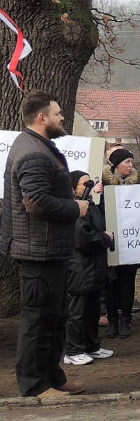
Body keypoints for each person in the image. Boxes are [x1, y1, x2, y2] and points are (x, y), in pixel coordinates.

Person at [1, 90, 88, 397]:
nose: (62, 117)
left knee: (55, 317)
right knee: (37, 321)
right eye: (57, 113)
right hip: (38, 252)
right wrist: (75, 208)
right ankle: (34, 386)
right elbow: (35, 202)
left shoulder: (38, 146)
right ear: (42, 118)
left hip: (50, 250)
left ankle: (53, 377)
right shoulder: (34, 153)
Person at [63, 171, 114, 367]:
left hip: (94, 267)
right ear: (74, 187)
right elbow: (83, 239)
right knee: (78, 311)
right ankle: (73, 350)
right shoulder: (74, 209)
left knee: (92, 309)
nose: (89, 187)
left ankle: (91, 345)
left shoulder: (91, 206)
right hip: (80, 268)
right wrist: (105, 238)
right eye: (84, 184)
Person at [102, 147, 140, 339]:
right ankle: (112, 322)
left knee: (128, 282)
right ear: (116, 165)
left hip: (129, 241)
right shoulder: (101, 186)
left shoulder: (136, 186)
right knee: (111, 284)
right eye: (127, 162)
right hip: (110, 241)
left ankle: (126, 321)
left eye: (131, 162)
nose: (131, 165)